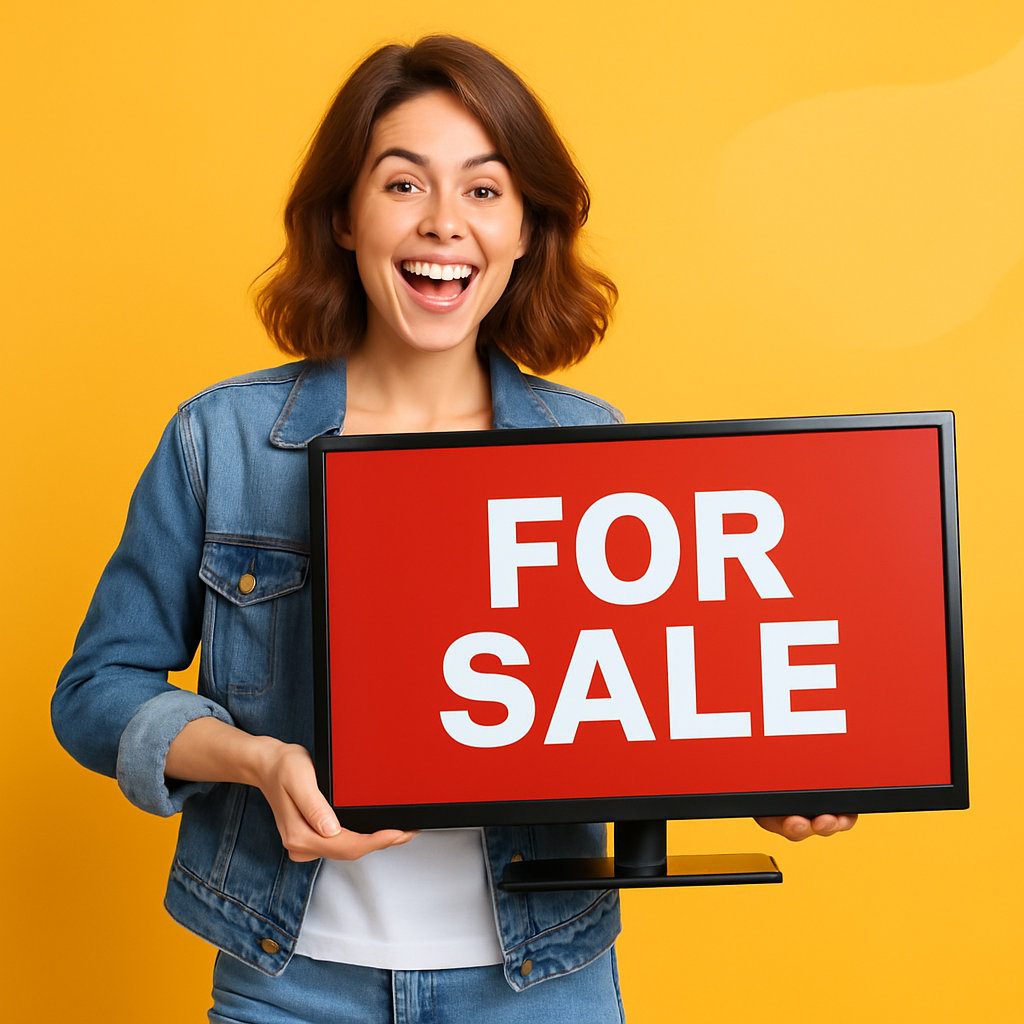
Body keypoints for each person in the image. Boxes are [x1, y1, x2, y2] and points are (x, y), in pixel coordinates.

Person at [52, 35, 855, 1024]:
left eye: (483, 190)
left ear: (526, 228)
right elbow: (96, 693)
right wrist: (253, 759)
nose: (443, 224)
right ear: (344, 216)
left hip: (540, 986)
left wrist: (770, 777)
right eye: (402, 185)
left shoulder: (590, 446)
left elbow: (639, 700)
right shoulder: (221, 440)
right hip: (287, 981)